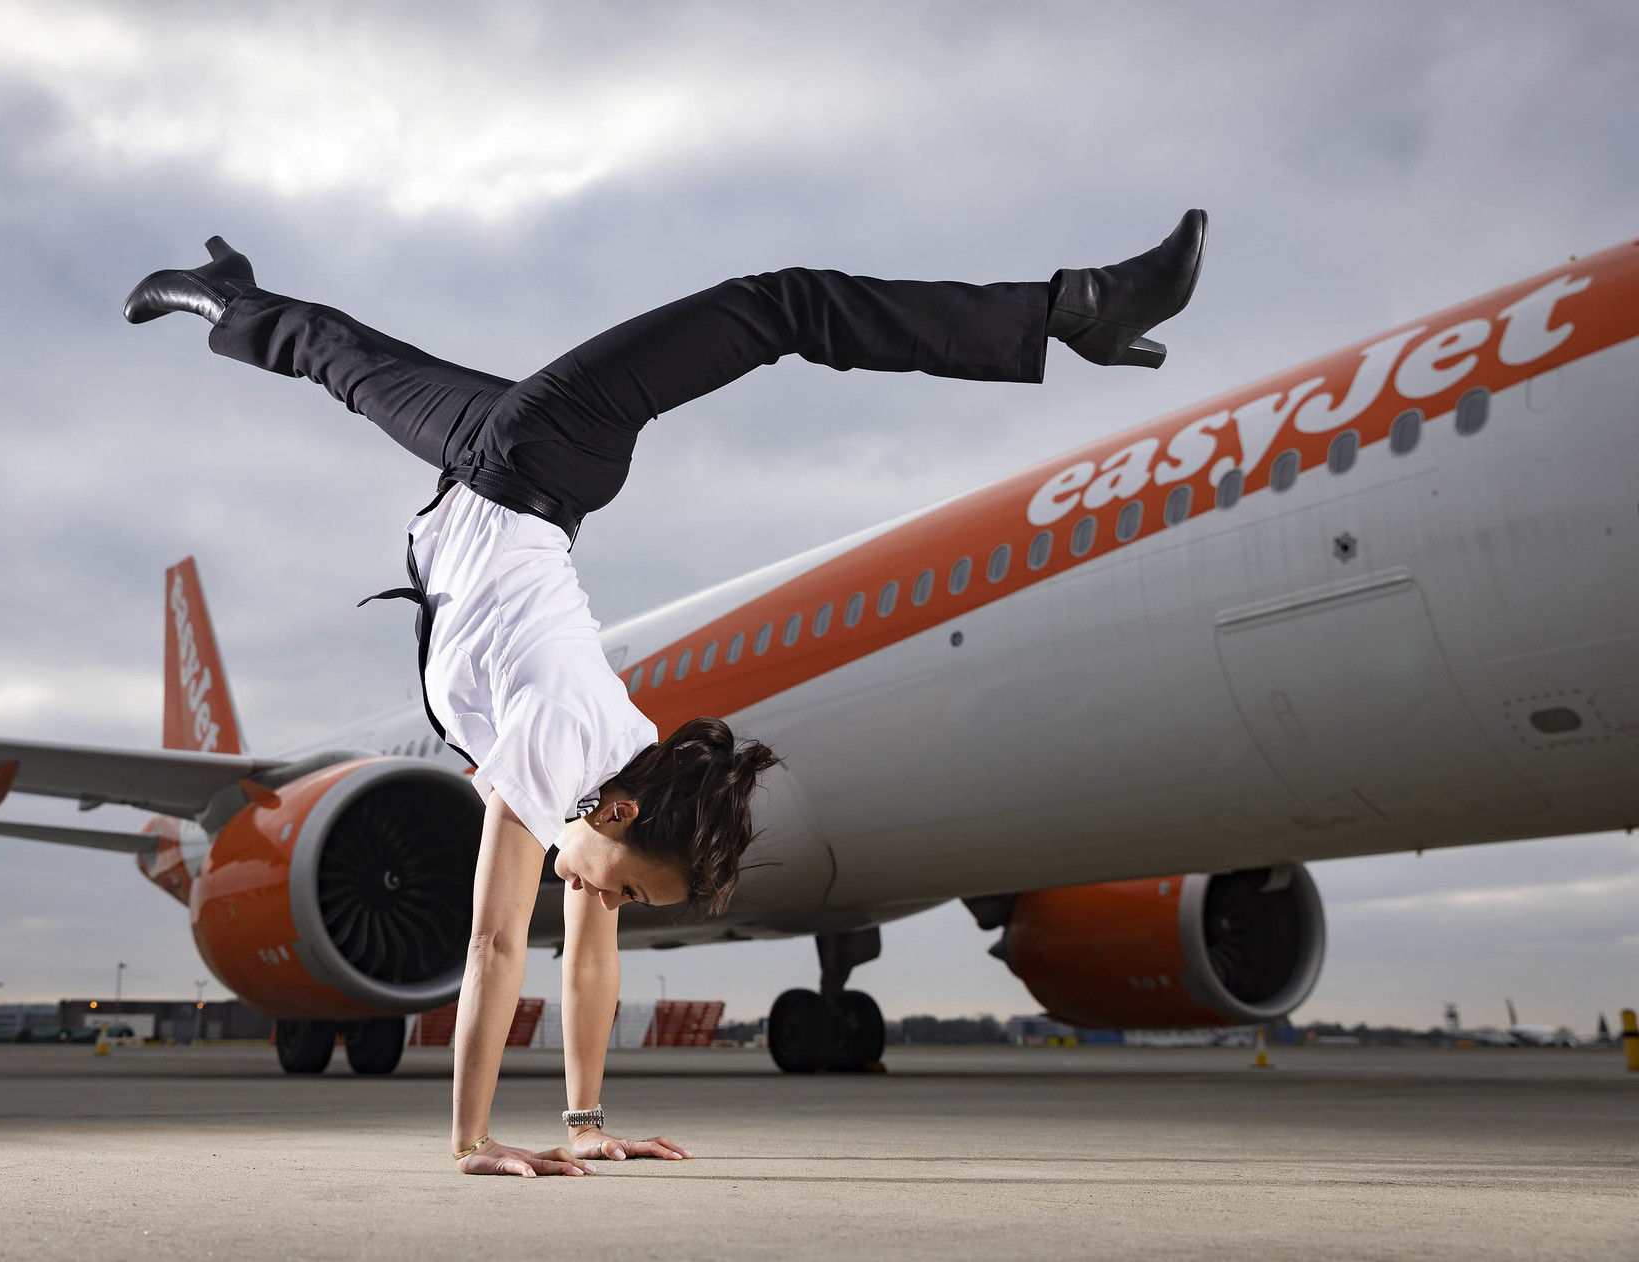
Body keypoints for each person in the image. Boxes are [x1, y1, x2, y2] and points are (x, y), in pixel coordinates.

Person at [123, 211, 1207, 1176]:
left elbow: (537, 949)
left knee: (343, 360)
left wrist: (562, 1125)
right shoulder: (560, 751)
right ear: (626, 814)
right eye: (637, 890)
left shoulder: (584, 792)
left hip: (484, 473)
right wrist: (490, 1136)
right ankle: (1080, 308)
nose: (616, 906)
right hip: (543, 456)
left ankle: (221, 287)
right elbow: (517, 947)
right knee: (772, 306)